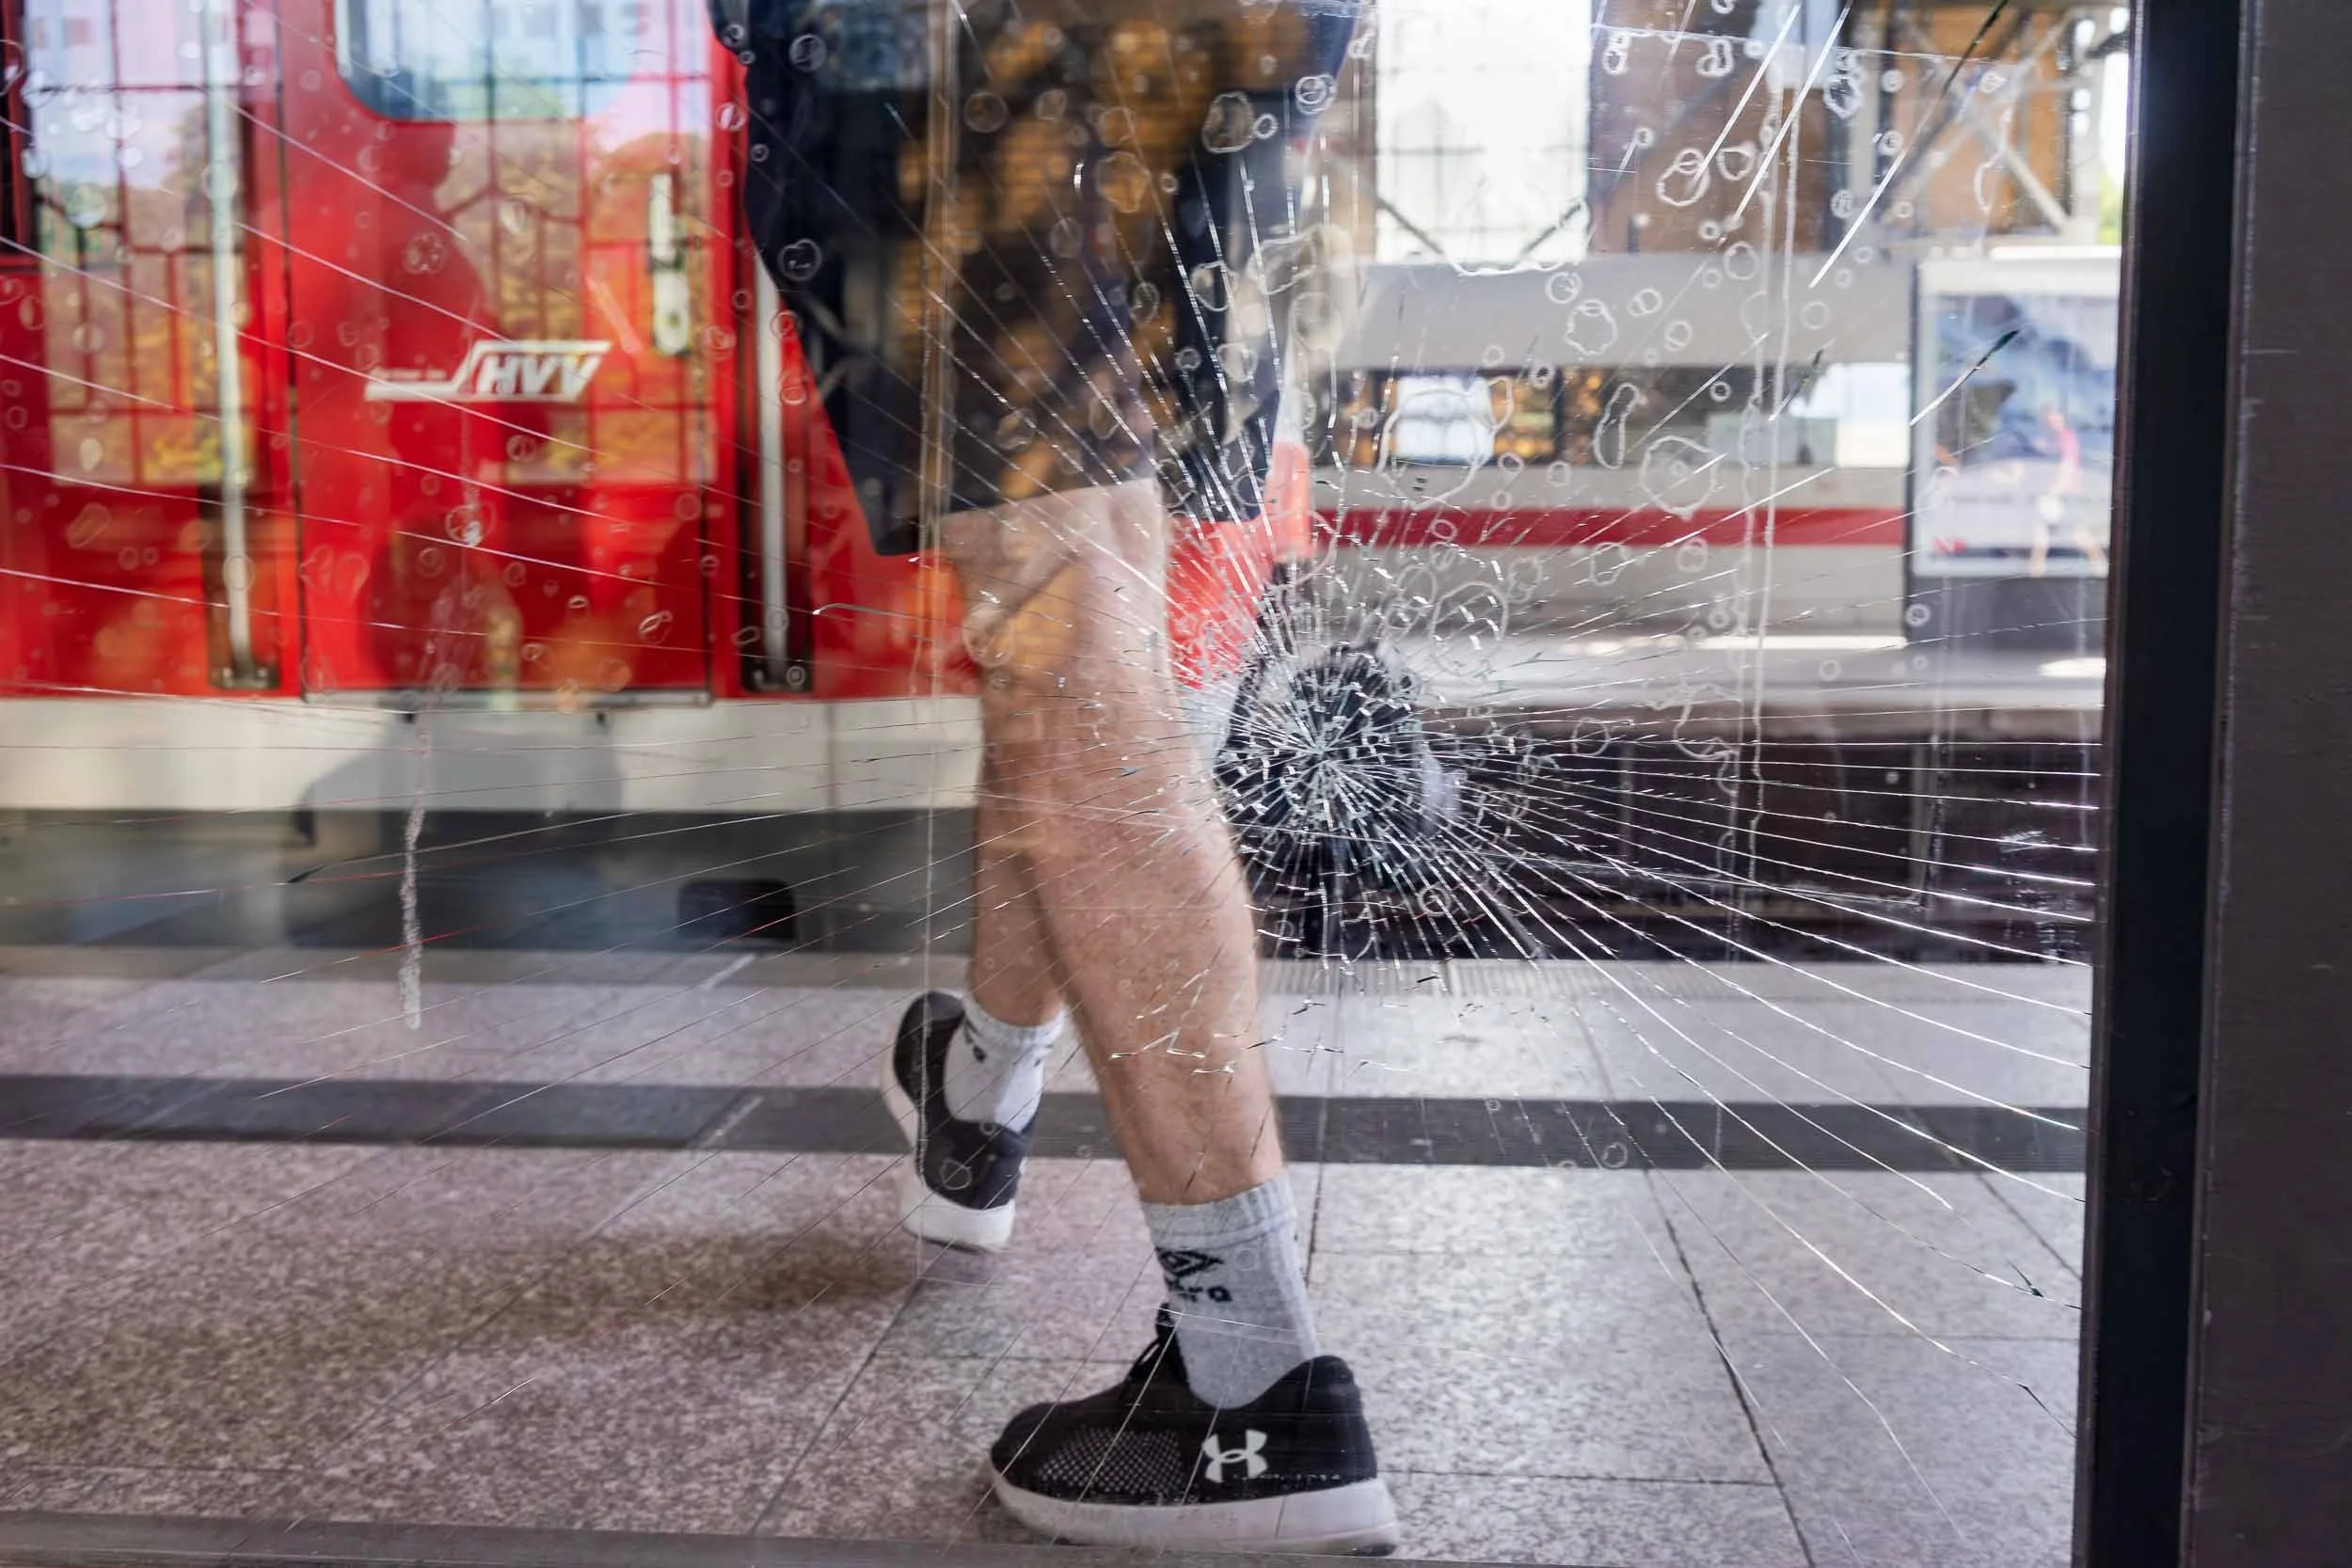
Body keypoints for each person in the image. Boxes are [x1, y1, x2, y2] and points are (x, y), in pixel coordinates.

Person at [717, 0, 1393, 1551]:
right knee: (1111, 661)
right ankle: (978, 1097)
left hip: (958, 47)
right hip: (1235, 48)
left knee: (1075, 658)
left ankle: (1255, 1386)